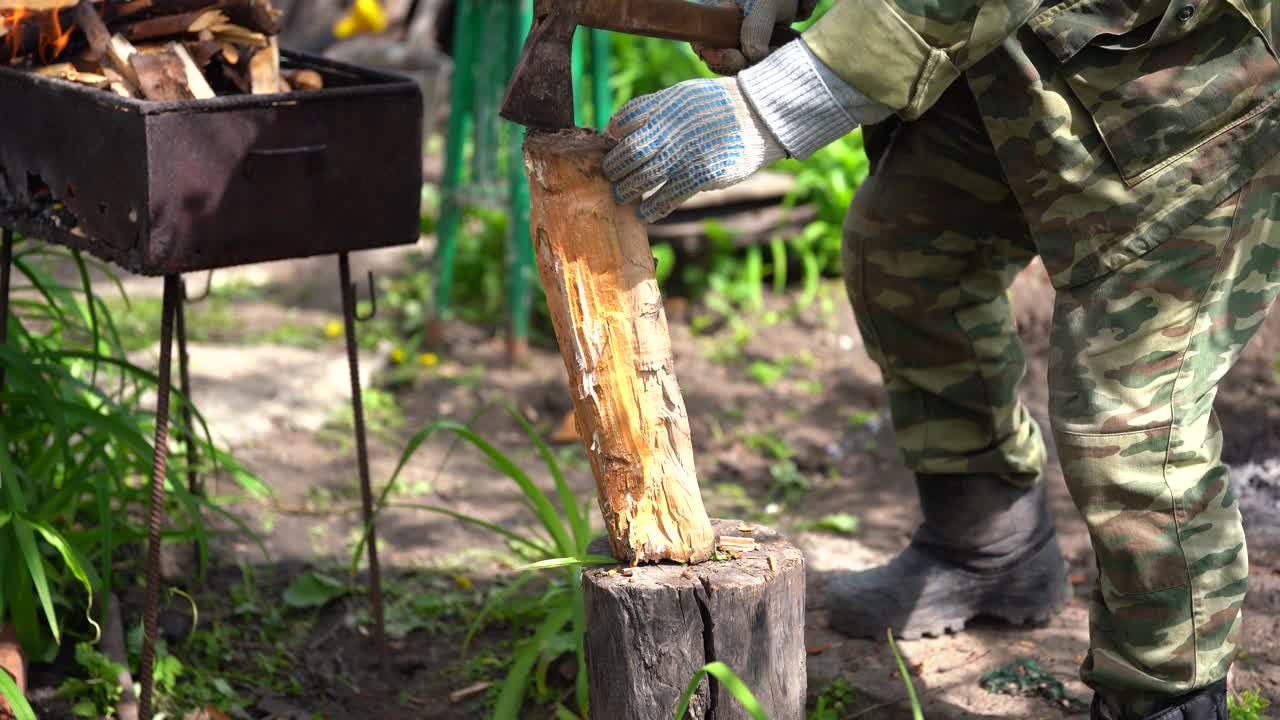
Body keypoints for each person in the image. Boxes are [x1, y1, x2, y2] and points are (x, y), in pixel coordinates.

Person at [602, 0, 1280, 717]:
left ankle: (1167, 692)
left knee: (1129, 420)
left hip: (1181, 90)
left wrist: (769, 106)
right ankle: (988, 543)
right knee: (904, 251)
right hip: (1013, 59)